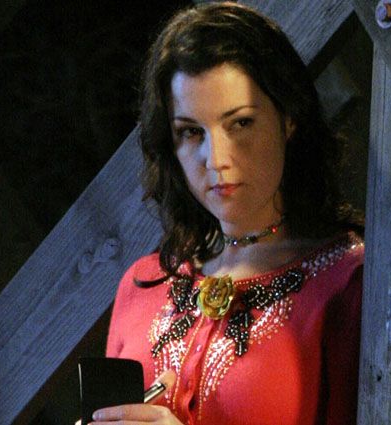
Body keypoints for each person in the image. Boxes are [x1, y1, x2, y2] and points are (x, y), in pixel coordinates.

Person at [90, 2, 364, 424]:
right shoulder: (143, 286)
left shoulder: (347, 283)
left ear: (288, 118)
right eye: (191, 132)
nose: (216, 159)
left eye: (240, 124)